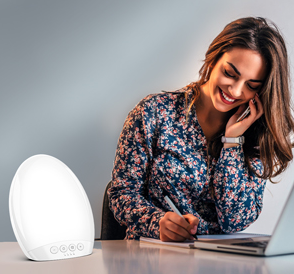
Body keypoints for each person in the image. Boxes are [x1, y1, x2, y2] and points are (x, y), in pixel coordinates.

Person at [108, 17, 294, 241]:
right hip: (151, 254)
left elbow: (235, 221)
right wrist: (156, 222)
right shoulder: (153, 112)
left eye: (251, 85)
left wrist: (232, 142)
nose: (235, 91)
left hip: (218, 260)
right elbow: (121, 194)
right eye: (230, 73)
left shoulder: (255, 134)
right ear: (214, 58)